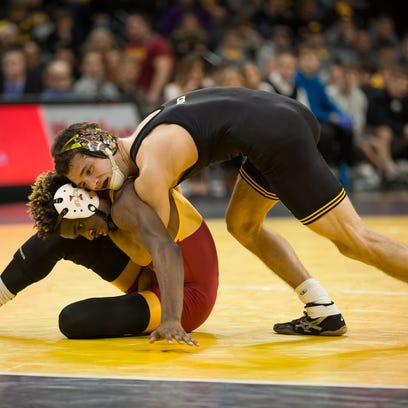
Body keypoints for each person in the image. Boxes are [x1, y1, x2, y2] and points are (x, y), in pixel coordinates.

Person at [52, 87, 408, 346]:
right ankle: (321, 310)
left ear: (100, 142)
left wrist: (109, 218)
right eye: (82, 181)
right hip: (276, 118)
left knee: (355, 242)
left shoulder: (151, 168)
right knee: (243, 225)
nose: (92, 182)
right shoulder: (143, 135)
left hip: (277, 136)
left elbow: (156, 252)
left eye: (88, 169)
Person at [1, 171, 218, 340]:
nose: (88, 236)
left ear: (83, 201)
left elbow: (162, 251)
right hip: (149, 272)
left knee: (74, 320)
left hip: (185, 294)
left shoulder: (132, 198)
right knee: (55, 236)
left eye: (80, 226)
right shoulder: (108, 196)